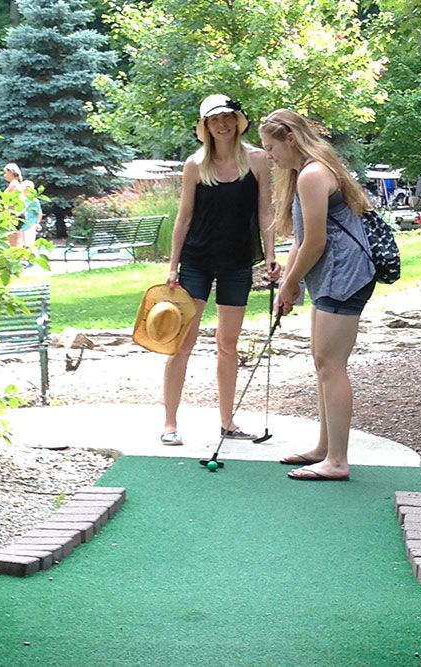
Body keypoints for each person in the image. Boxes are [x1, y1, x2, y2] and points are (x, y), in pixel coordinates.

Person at [258, 109, 377, 481]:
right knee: (322, 360)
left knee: (331, 363)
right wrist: (286, 286)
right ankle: (324, 448)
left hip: (345, 275)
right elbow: (300, 239)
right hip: (330, 275)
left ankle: (337, 461)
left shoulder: (312, 174)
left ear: (289, 138)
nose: (269, 155)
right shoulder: (304, 173)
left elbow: (316, 242)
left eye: (271, 146)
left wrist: (292, 283)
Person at [161, 93, 280, 446]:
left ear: (238, 121)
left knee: (228, 344)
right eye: (215, 120)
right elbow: (183, 218)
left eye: (228, 117)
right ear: (206, 127)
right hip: (196, 261)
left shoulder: (258, 161)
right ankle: (169, 424)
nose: (223, 124)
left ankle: (228, 422)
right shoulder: (194, 165)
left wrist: (271, 256)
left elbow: (265, 212)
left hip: (238, 262)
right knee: (182, 344)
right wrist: (172, 266)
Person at [3, 162, 25, 247]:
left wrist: (5, 214)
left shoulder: (13, 185)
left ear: (11, 172)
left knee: (13, 243)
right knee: (16, 240)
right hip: (17, 214)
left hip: (13, 215)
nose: (4, 175)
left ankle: (15, 258)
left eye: (5, 173)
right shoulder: (16, 184)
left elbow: (12, 202)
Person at [20, 179, 42, 249]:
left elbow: (39, 213)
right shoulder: (20, 199)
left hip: (30, 224)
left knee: (29, 244)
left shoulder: (34, 201)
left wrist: (37, 223)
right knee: (21, 245)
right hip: (20, 225)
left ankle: (31, 258)